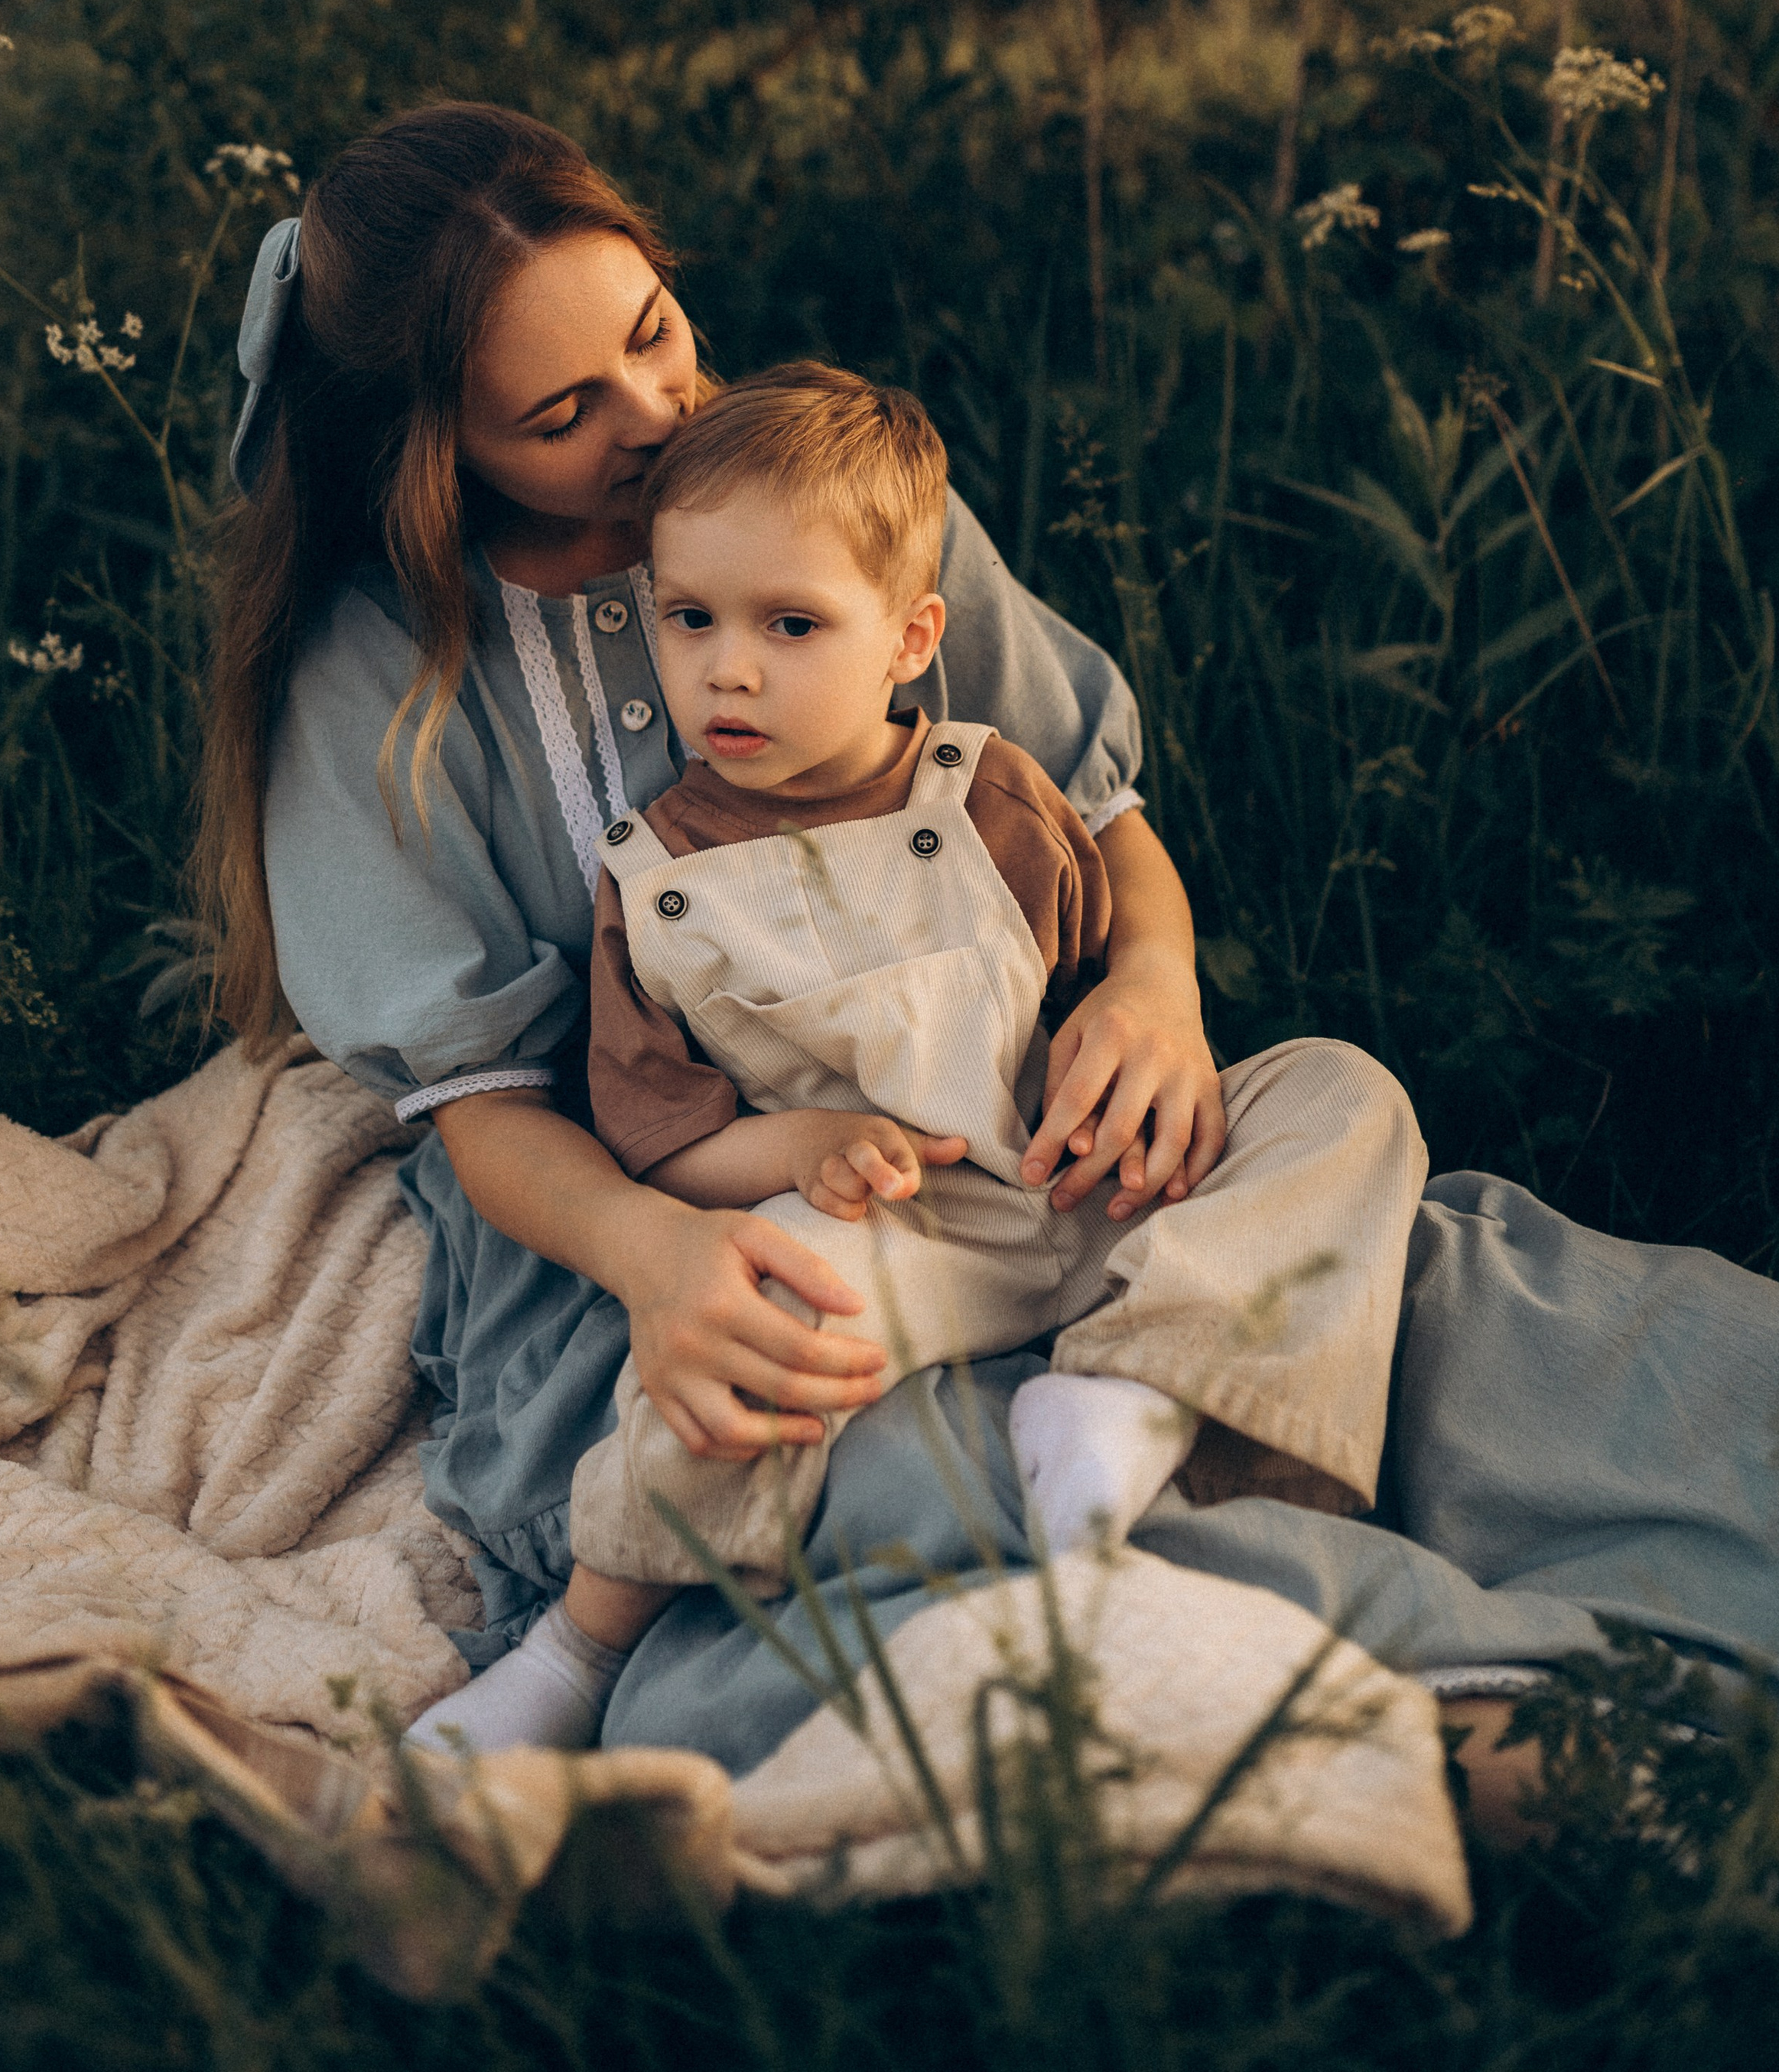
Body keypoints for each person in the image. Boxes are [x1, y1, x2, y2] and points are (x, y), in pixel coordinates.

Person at [421, 363, 1426, 1754]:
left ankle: (1132, 1390)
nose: (730, 667)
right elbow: (657, 1135)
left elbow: (1085, 973)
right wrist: (795, 1153)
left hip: (1091, 1175)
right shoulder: (654, 880)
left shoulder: (992, 790)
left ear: (908, 640)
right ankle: (579, 1649)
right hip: (895, 1228)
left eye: (791, 624)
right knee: (750, 1325)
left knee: (1340, 1091)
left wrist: (1131, 1018)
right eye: (690, 616)